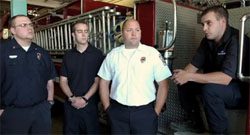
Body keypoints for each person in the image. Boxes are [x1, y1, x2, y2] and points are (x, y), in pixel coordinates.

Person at [171, 5, 249, 134]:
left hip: (240, 90)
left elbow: (225, 78)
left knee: (210, 89)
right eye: (203, 24)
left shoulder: (236, 40)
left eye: (208, 23)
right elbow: (192, 67)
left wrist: (189, 76)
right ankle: (196, 124)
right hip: (219, 86)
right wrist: (181, 76)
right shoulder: (207, 41)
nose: (204, 28)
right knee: (185, 84)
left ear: (222, 22)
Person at [98, 19, 172, 134]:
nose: (134, 33)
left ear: (141, 32)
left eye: (137, 30)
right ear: (122, 33)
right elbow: (103, 82)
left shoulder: (152, 53)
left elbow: (164, 84)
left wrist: (155, 112)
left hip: (145, 113)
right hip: (118, 113)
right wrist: (108, 108)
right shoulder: (113, 55)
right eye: (129, 30)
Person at [0, 14, 57, 134]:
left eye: (31, 24)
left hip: (41, 111)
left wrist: (49, 102)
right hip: (13, 113)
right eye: (23, 25)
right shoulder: (3, 51)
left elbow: (49, 79)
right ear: (13, 30)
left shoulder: (42, 52)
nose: (29, 27)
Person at [60, 21, 105, 134]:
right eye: (80, 31)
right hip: (71, 105)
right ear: (73, 35)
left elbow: (97, 81)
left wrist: (84, 99)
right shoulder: (68, 56)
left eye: (86, 31)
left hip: (90, 105)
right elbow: (63, 81)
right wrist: (72, 98)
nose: (84, 34)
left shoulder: (97, 54)